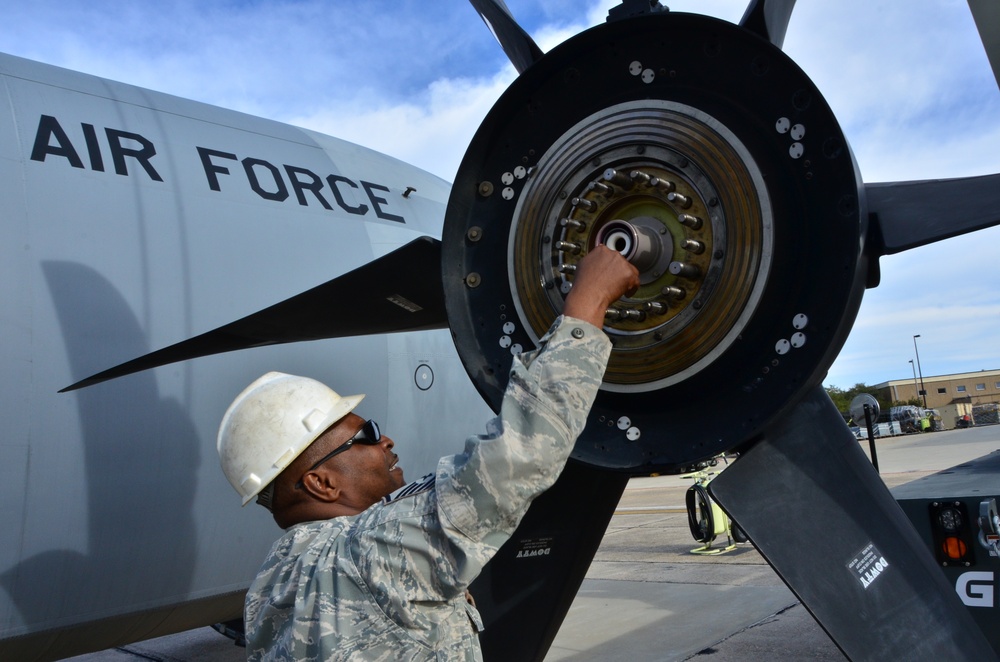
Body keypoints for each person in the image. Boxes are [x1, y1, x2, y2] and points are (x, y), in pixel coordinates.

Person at [216, 245, 639, 661]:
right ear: (321, 483)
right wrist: (588, 302)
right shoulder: (368, 555)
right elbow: (516, 458)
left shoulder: (272, 583)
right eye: (367, 434)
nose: (386, 441)